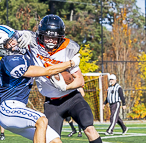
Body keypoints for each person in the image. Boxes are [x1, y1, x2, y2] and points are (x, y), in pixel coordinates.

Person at [0, 25, 81, 143]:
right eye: (9, 42)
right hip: (9, 109)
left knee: (55, 141)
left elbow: (38, 37)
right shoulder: (10, 61)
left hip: (19, 108)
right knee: (41, 120)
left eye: (13, 38)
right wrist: (71, 63)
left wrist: (27, 34)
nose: (14, 42)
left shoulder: (21, 52)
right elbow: (47, 71)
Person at [22, 14, 102, 143]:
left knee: (89, 129)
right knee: (52, 139)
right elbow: (12, 37)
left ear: (61, 38)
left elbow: (80, 80)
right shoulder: (32, 45)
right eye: (48, 36)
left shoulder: (67, 50)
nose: (51, 41)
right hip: (52, 104)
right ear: (41, 35)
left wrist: (65, 87)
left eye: (55, 38)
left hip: (72, 98)